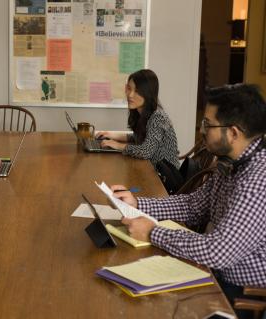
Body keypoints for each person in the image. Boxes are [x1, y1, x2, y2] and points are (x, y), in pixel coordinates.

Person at [111, 84, 266, 318]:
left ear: (233, 132)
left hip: (240, 293)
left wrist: (153, 233)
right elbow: (193, 206)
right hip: (214, 273)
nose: (201, 130)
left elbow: (218, 252)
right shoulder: (231, 162)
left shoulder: (258, 179)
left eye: (208, 124)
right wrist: (137, 204)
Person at [95, 69, 180, 170]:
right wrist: (111, 135)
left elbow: (145, 151)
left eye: (137, 91)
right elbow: (139, 137)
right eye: (129, 89)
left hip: (165, 179)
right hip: (150, 169)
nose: (130, 95)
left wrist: (118, 145)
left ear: (148, 93)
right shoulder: (141, 112)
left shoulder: (158, 117)